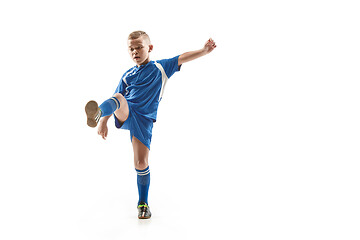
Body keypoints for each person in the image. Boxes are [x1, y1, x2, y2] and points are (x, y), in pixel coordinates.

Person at [85, 31, 216, 219]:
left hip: (144, 119)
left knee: (141, 163)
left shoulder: (160, 67)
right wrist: (103, 120)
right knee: (120, 97)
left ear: (150, 48)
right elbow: (114, 97)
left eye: (139, 47)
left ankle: (143, 203)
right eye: (131, 49)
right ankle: (97, 112)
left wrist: (204, 51)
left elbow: (182, 57)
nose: (135, 52)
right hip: (127, 111)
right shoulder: (127, 74)